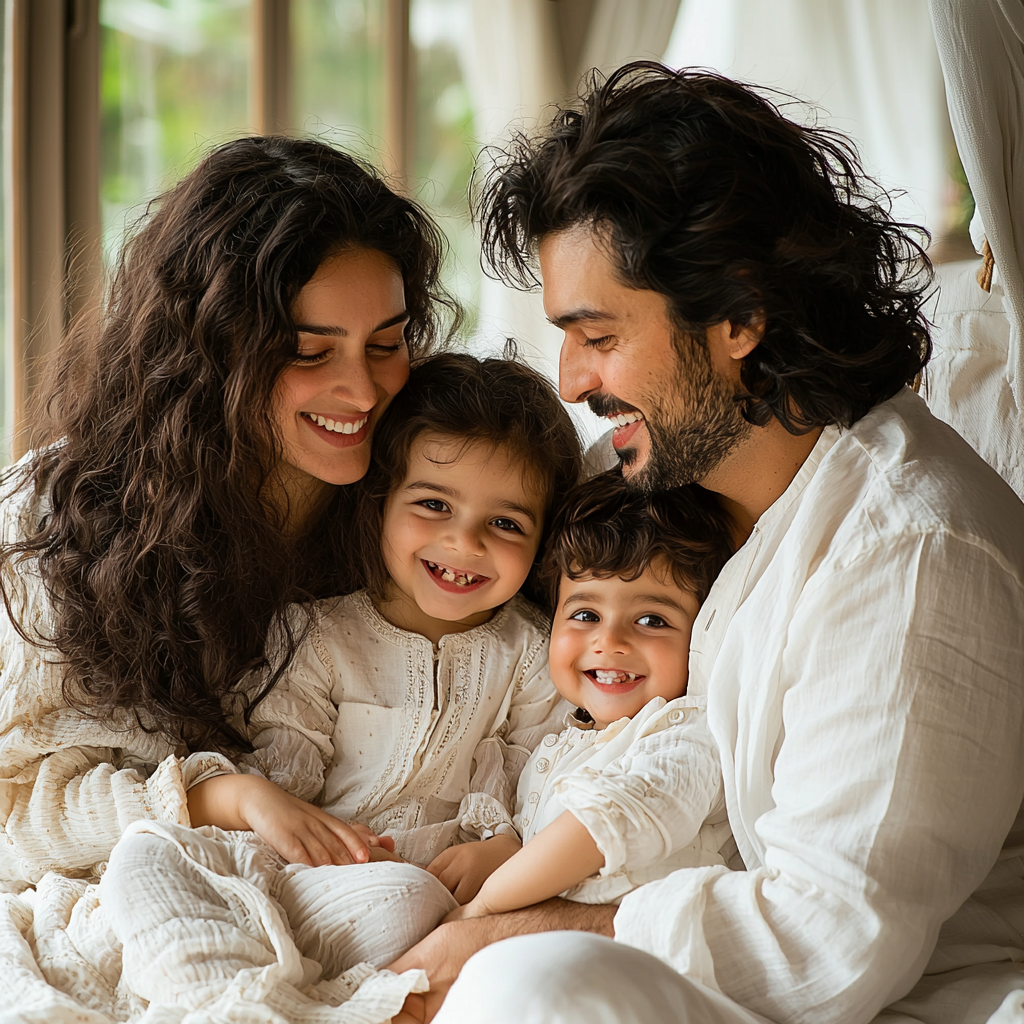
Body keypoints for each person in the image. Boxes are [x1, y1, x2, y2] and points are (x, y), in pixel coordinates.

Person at [388, 63, 1024, 1024]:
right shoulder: (645, 480)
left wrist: (511, 931)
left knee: (531, 987)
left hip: (881, 1001)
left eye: (596, 334)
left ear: (738, 316)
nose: (569, 380)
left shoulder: (909, 552)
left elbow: (829, 945)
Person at [0, 134, 458, 889]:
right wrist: (222, 800)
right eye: (311, 351)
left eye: (388, 342)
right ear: (212, 353)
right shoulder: (49, 520)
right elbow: (17, 816)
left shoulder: (425, 499)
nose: (366, 390)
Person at [99, 352, 582, 1015]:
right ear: (380, 503)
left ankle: (290, 993)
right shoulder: (320, 635)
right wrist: (277, 820)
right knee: (143, 855)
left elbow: (548, 771)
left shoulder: (530, 651)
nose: (464, 541)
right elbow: (276, 772)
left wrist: (505, 843)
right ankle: (231, 994)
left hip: (408, 901)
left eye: (505, 523)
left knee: (410, 899)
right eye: (434, 504)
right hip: (293, 879)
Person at [439, 471, 734, 917]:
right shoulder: (553, 740)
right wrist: (502, 847)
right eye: (585, 613)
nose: (609, 640)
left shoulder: (686, 734)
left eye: (652, 620)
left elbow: (605, 821)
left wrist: (479, 910)